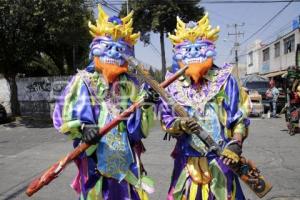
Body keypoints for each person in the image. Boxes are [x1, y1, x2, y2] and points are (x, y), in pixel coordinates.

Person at [53, 6, 157, 200]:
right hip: (94, 164)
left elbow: (138, 131)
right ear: (95, 48)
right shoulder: (83, 81)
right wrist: (84, 127)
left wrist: (146, 106)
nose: (114, 53)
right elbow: (62, 117)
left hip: (127, 165)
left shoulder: (131, 86)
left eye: (120, 49)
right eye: (108, 46)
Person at [160, 14, 250, 199]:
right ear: (178, 52)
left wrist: (236, 142)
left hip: (221, 159)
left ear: (210, 49)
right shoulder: (171, 84)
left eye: (198, 48)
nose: (193, 54)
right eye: (187, 49)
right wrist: (181, 124)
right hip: (187, 161)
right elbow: (166, 119)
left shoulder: (226, 80)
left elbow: (239, 117)